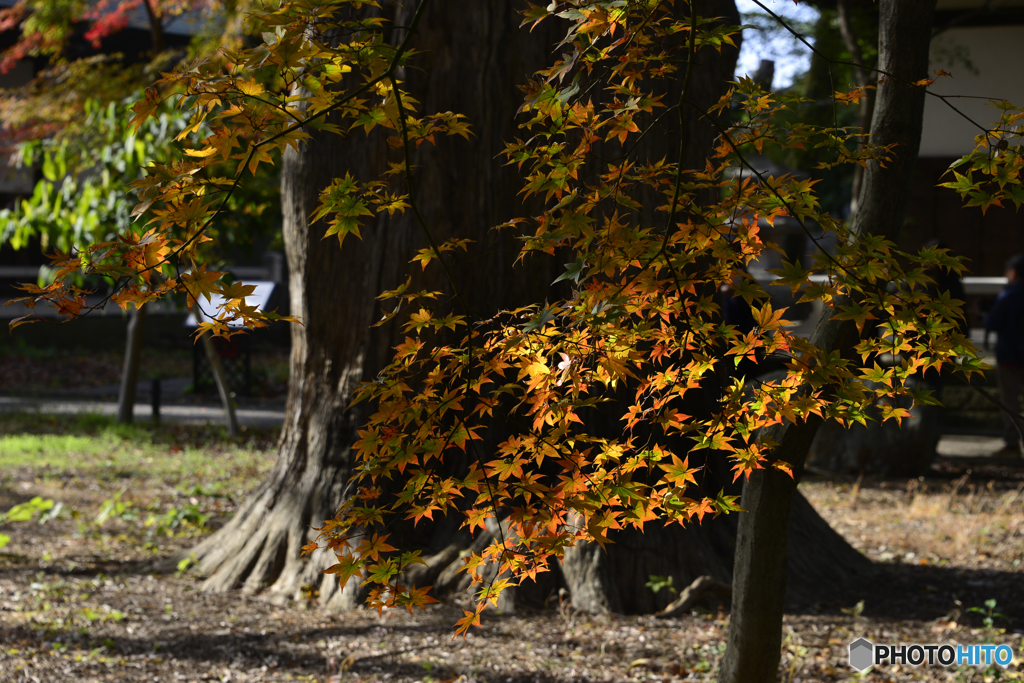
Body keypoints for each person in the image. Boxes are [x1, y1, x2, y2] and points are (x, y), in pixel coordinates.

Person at [984, 253, 1024, 456]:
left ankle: (1012, 443)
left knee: (1010, 400)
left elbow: (993, 322)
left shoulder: (1008, 296)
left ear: (1014, 272)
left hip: (1009, 356)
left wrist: (985, 315)